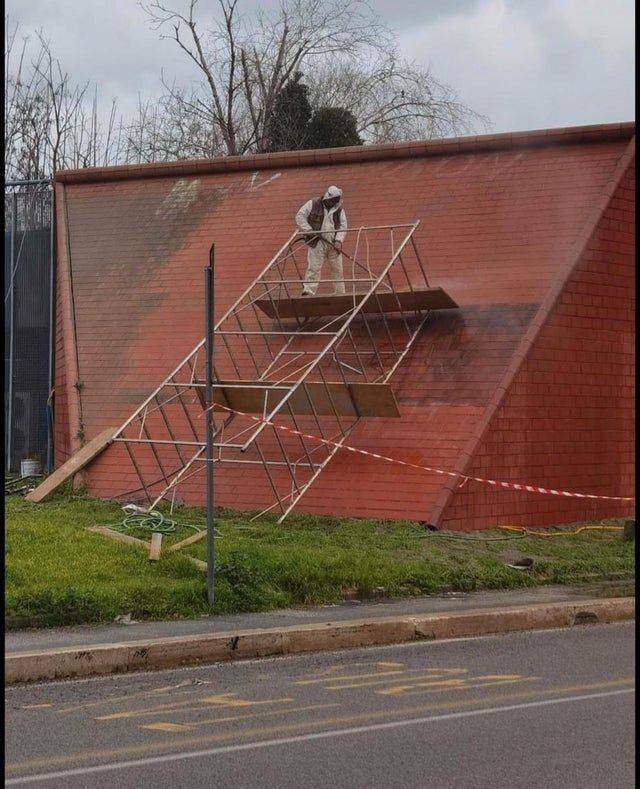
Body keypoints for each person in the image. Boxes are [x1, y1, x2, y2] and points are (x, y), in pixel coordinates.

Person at [295, 185, 347, 296]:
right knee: (314, 267)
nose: (333, 203)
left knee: (338, 269)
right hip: (317, 241)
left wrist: (339, 240)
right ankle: (308, 291)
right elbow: (300, 216)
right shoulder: (313, 204)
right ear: (327, 198)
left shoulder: (339, 209)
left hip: (333, 243)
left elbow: (343, 226)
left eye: (335, 201)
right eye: (332, 200)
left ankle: (340, 293)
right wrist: (308, 230)